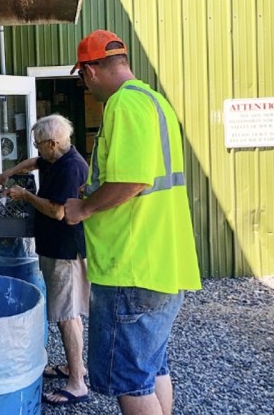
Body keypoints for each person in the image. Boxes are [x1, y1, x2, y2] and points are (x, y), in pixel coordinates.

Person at [64, 30, 202, 415]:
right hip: (161, 261)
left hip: (131, 266)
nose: (85, 86)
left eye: (82, 77)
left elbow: (132, 180)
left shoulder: (123, 105)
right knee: (153, 367)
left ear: (90, 71)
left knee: (130, 382)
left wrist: (84, 208)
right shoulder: (153, 101)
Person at [0, 114, 91, 406]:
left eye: (38, 144)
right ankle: (75, 366)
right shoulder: (55, 157)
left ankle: (77, 383)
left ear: (52, 143)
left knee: (67, 316)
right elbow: (35, 163)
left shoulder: (71, 168)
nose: (36, 151)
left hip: (66, 251)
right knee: (65, 313)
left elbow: (57, 212)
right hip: (53, 247)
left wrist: (24, 195)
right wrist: (8, 173)